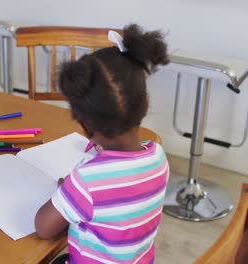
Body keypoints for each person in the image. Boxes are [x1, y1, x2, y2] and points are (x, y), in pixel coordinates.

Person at [35, 24, 170, 264]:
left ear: (84, 124)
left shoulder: (86, 182)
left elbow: (43, 228)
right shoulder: (159, 157)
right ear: (145, 104)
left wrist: (65, 191)